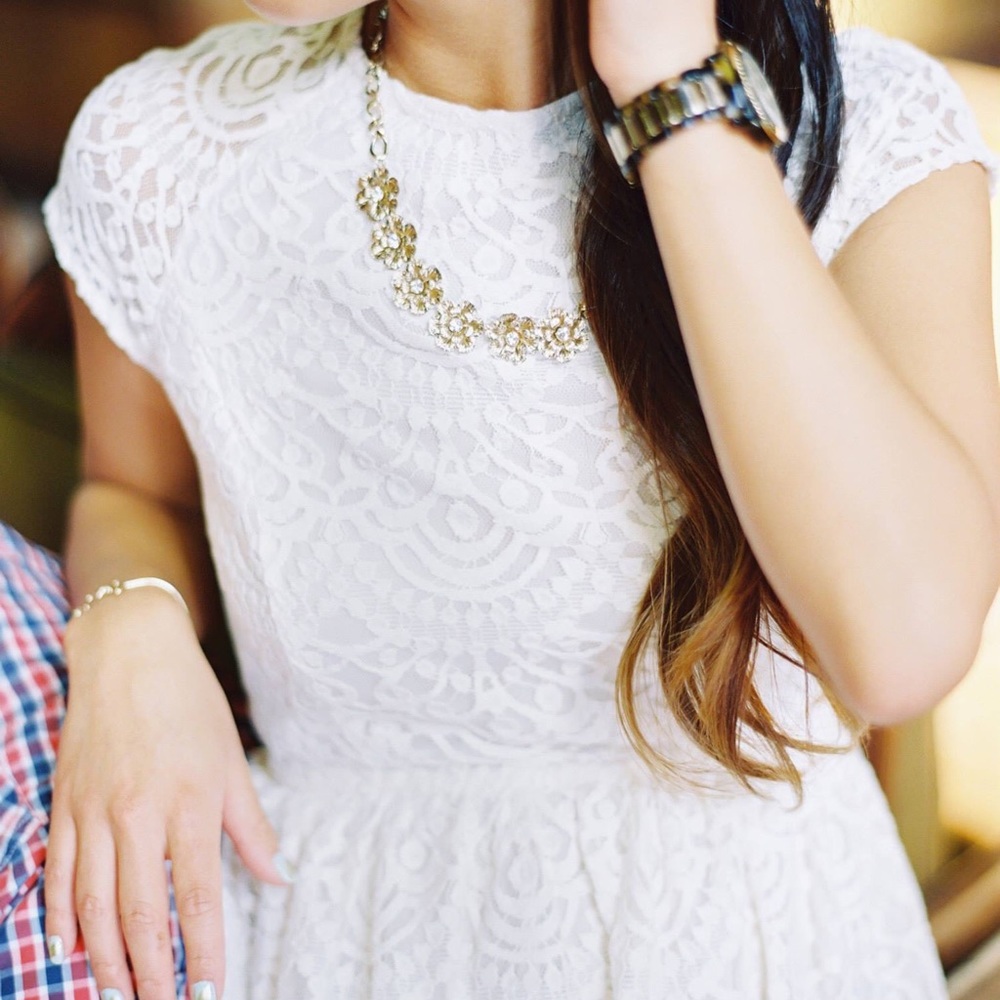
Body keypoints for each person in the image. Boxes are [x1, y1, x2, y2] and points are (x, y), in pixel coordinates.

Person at [1, 0, 999, 997]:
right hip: (334, 941)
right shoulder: (158, 146)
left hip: (761, 952)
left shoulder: (864, 124)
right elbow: (135, 490)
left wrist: (670, 86)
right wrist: (130, 617)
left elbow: (900, 638)